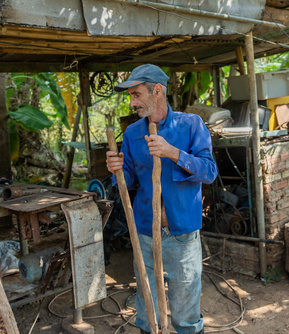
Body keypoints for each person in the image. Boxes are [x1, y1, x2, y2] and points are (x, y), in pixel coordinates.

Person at [106, 64, 218, 334]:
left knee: (186, 314)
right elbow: (130, 181)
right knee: (147, 311)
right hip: (145, 233)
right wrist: (117, 169)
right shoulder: (133, 133)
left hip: (183, 234)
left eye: (136, 95)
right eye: (130, 96)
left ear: (157, 91)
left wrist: (173, 153)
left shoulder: (191, 125)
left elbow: (209, 172)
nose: (132, 103)